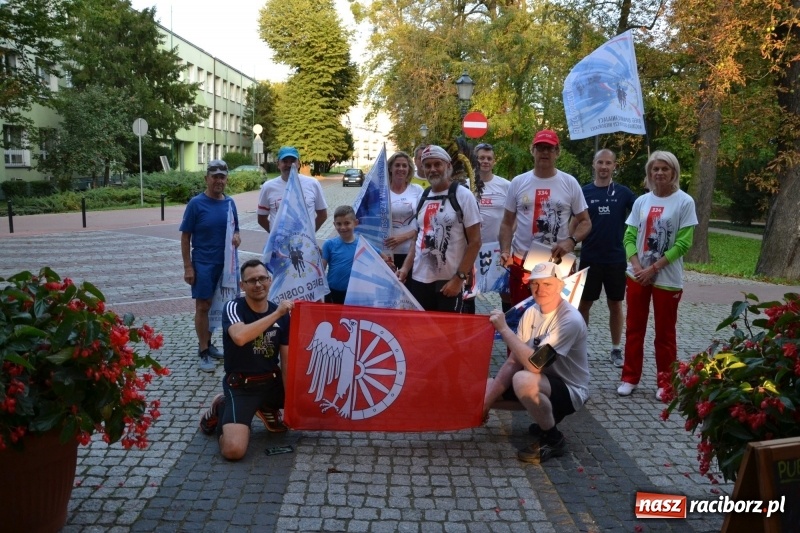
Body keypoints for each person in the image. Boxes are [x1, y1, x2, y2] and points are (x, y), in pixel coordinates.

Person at [484, 261, 589, 464]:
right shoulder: (531, 312)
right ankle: (544, 418)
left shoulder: (569, 320)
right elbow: (513, 360)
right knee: (485, 390)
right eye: (535, 284)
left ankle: (553, 438)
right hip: (542, 382)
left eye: (547, 284)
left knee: (523, 379)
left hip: (570, 390)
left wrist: (505, 330)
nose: (540, 290)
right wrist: (485, 405)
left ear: (560, 286)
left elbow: (535, 365)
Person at [616, 151, 697, 400]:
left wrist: (654, 268)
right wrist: (637, 266)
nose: (659, 173)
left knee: (665, 333)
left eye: (665, 168)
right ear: (649, 173)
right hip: (637, 274)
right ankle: (629, 377)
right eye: (655, 169)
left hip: (667, 278)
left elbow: (683, 244)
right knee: (634, 328)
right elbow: (629, 236)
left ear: (674, 172)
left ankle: (666, 382)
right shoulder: (642, 201)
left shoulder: (684, 202)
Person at [199, 259, 293, 461]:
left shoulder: (283, 316)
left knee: (310, 398)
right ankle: (221, 406)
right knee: (234, 450)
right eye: (251, 281)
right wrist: (276, 314)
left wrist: (293, 405)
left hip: (272, 382)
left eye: (262, 279)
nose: (258, 284)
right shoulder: (234, 307)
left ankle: (268, 407)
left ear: (270, 280)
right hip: (242, 386)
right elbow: (240, 337)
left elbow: (286, 363)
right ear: (242, 285)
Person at [499, 129, 592, 306]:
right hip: (522, 262)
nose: (545, 152)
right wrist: (504, 250)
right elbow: (506, 222)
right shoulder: (518, 182)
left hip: (558, 261)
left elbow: (586, 221)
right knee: (522, 317)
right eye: (540, 148)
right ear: (532, 150)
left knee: (557, 319)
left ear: (557, 152)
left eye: (550, 148)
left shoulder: (569, 182)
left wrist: (571, 241)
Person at [396, 144, 481, 312]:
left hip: (448, 282)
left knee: (446, 334)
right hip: (419, 279)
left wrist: (459, 279)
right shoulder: (423, 195)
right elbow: (417, 237)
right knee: (422, 331)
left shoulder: (463, 195)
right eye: (427, 165)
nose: (432, 169)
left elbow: (476, 242)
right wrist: (405, 268)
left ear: (448, 166)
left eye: (437, 164)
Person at [571, 149, 635, 367]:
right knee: (584, 305)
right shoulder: (584, 192)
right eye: (600, 162)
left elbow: (641, 214)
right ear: (594, 164)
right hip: (590, 257)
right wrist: (568, 243)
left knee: (615, 305)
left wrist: (649, 189)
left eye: (609, 162)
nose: (604, 166)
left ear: (614, 165)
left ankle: (616, 349)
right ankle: (580, 348)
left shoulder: (624, 193)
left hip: (616, 258)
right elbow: (575, 221)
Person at [180, 159, 241, 372]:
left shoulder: (230, 203)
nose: (218, 180)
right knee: (203, 306)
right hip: (203, 263)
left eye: (222, 176)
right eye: (214, 176)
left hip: (226, 266)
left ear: (226, 179)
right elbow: (185, 236)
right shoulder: (196, 204)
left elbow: (236, 230)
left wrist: (236, 237)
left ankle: (210, 343)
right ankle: (203, 350)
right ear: (206, 178)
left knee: (221, 306)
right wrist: (188, 266)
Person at [463, 142, 511, 314]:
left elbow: (513, 216)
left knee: (506, 291)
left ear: (494, 161)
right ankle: (470, 333)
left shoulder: (506, 185)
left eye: (489, 158)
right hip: (472, 248)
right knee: (469, 292)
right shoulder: (464, 185)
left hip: (498, 248)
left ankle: (509, 331)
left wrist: (508, 243)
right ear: (474, 160)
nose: (485, 161)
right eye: (481, 158)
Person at [257, 146, 328, 233]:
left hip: (305, 245)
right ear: (278, 164)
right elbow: (261, 218)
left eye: (292, 161)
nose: (289, 165)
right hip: (279, 245)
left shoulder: (313, 184)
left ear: (298, 163)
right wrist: (274, 235)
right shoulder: (268, 187)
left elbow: (322, 215)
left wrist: (310, 235)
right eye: (285, 161)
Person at [384, 151, 424, 270]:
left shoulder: (417, 190)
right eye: (397, 165)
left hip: (411, 251)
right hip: (386, 253)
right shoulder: (382, 192)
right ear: (390, 168)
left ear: (409, 169)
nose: (401, 168)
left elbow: (424, 222)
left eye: (404, 166)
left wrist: (404, 237)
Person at [322, 205, 361, 304]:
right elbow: (321, 270)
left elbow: (382, 257)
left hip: (354, 294)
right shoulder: (329, 244)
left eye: (347, 223)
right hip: (332, 292)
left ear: (355, 223)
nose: (343, 227)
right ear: (334, 224)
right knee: (332, 319)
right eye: (339, 224)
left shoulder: (362, 244)